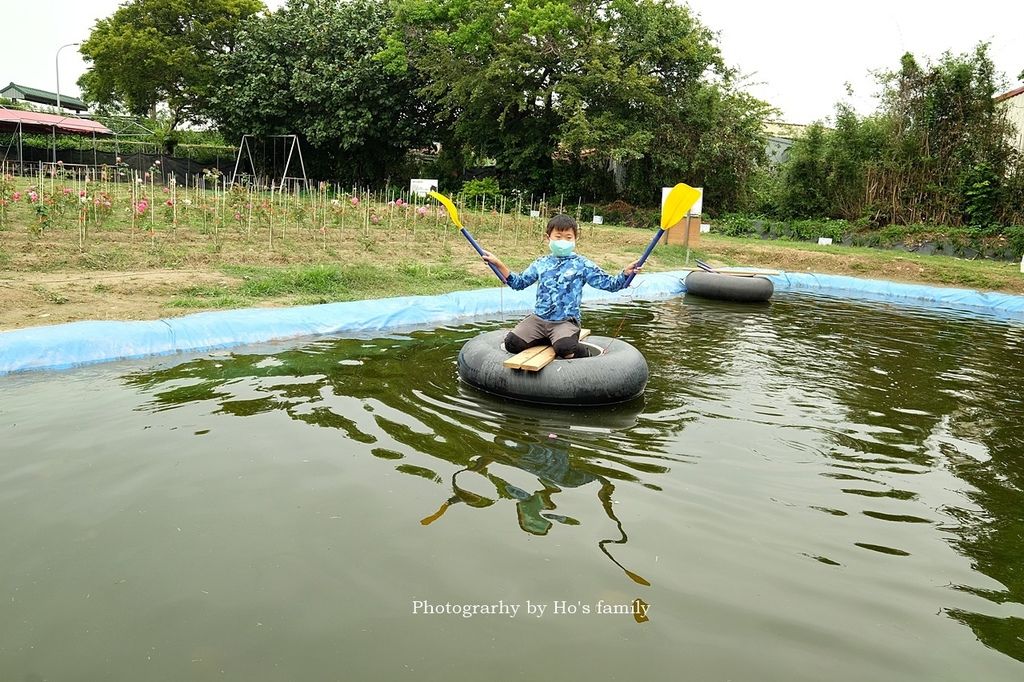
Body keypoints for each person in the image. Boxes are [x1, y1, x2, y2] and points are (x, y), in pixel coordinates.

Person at [482, 214, 641, 359]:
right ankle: (547, 337)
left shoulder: (582, 264)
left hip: (565, 322)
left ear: (575, 239)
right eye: (558, 237)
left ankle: (585, 354)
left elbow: (610, 284)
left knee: (565, 349)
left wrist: (626, 273)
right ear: (548, 238)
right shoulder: (541, 263)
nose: (563, 241)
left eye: (568, 237)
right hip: (539, 319)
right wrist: (497, 263)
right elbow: (518, 283)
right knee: (512, 343)